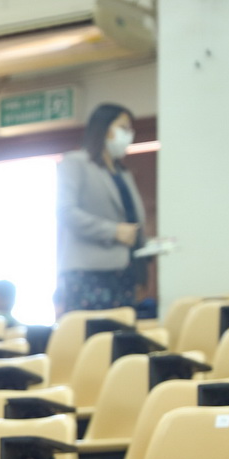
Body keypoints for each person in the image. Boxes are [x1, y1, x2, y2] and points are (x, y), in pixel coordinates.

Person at [57, 103, 146, 314]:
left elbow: (131, 219)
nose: (128, 134)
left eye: (130, 129)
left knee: (121, 333)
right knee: (92, 333)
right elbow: (66, 212)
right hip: (88, 272)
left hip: (124, 271)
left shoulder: (123, 173)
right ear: (104, 128)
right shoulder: (75, 162)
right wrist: (113, 231)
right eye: (123, 128)